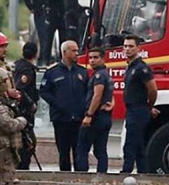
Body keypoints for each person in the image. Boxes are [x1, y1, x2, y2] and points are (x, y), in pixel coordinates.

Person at [39, 40, 89, 171]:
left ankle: (80, 179)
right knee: (63, 151)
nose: (77, 53)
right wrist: (57, 103)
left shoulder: (82, 72)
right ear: (64, 52)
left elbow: (88, 91)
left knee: (79, 151)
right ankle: (65, 177)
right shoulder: (52, 72)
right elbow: (44, 91)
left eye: (77, 50)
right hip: (61, 119)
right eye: (74, 51)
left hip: (78, 118)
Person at [121, 35, 159, 174]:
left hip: (138, 110)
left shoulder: (141, 68)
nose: (127, 49)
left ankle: (126, 172)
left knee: (130, 144)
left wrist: (148, 107)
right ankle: (143, 172)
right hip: (132, 109)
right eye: (125, 46)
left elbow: (153, 89)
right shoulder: (130, 67)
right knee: (138, 145)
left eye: (131, 46)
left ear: (138, 48)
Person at [76, 48, 114, 172]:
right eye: (90, 57)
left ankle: (82, 177)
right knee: (100, 150)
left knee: (82, 149)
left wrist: (89, 115)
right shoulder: (106, 74)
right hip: (105, 117)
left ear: (103, 58)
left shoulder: (99, 75)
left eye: (95, 57)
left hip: (96, 118)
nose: (92, 60)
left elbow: (97, 95)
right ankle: (102, 177)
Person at [13, 42, 40, 170]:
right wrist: (31, 103)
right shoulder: (27, 70)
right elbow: (20, 88)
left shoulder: (18, 65)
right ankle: (23, 168)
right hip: (24, 111)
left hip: (19, 110)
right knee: (28, 143)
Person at [24, 0, 56, 66]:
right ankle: (42, 59)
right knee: (43, 36)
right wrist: (32, 7)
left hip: (51, 14)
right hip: (40, 14)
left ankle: (47, 57)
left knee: (49, 37)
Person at [42, 0, 68, 64]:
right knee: (48, 39)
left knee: (64, 39)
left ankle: (63, 60)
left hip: (62, 14)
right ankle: (46, 60)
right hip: (52, 14)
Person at [0, 32, 22, 102]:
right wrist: (7, 93)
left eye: (5, 46)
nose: (5, 50)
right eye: (2, 46)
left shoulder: (4, 65)